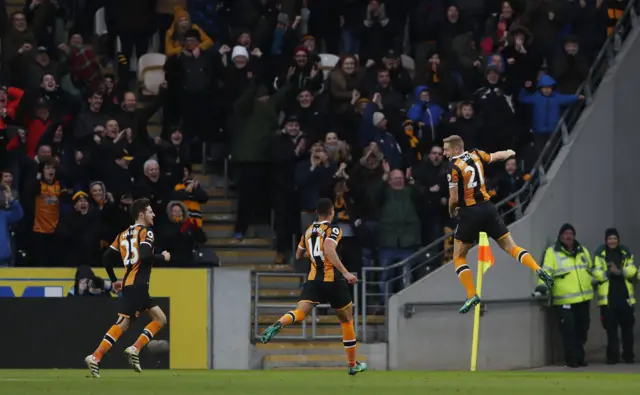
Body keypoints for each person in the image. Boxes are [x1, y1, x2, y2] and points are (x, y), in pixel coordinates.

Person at [442, 135, 554, 314]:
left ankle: (471, 294)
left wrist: (452, 210)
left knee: (459, 257)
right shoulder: (476, 154)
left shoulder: (453, 168)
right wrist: (509, 153)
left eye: (446, 149)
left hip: (470, 213)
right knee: (511, 246)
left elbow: (454, 198)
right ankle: (537, 269)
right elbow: (495, 156)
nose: (444, 152)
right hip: (488, 209)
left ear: (456, 149)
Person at [259, 198, 367, 376]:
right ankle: (352, 364)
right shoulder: (334, 229)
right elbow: (329, 248)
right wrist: (346, 273)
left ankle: (280, 322)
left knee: (300, 312)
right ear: (331, 211)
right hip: (333, 280)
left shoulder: (308, 231)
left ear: (317, 212)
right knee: (347, 321)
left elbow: (299, 254)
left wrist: (314, 254)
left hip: (313, 280)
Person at [84, 199, 171, 378]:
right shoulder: (146, 232)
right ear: (141, 214)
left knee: (160, 318)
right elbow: (146, 256)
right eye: (150, 211)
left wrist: (114, 280)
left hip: (134, 285)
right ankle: (96, 356)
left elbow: (106, 258)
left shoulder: (123, 235)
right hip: (137, 285)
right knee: (123, 324)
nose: (153, 215)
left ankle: (134, 348)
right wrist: (163, 257)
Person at [592, 228, 636, 364]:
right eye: (610, 238)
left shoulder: (625, 252)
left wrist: (620, 272)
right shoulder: (600, 254)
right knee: (611, 329)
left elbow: (632, 269)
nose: (612, 241)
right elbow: (596, 272)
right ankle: (613, 357)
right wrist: (608, 273)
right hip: (608, 299)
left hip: (625, 297)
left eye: (615, 238)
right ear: (606, 240)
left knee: (627, 329)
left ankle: (628, 355)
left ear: (618, 240)